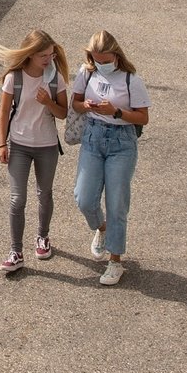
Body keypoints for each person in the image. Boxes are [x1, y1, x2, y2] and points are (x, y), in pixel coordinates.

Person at [71, 30, 151, 285]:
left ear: (116, 55)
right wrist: (87, 107)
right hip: (93, 137)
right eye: (96, 59)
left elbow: (142, 117)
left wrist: (115, 111)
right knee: (83, 197)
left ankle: (115, 261)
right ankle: (102, 229)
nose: (101, 65)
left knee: (117, 203)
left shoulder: (131, 79)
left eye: (105, 60)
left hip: (121, 141)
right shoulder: (86, 71)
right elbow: (75, 103)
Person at [0, 29, 70, 273]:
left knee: (44, 193)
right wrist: (1, 143)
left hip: (47, 145)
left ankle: (43, 237)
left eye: (50, 54)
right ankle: (16, 252)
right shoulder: (14, 78)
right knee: (17, 200)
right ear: (29, 55)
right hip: (19, 145)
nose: (48, 59)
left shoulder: (54, 78)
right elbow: (4, 113)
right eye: (42, 56)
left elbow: (63, 113)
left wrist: (48, 101)